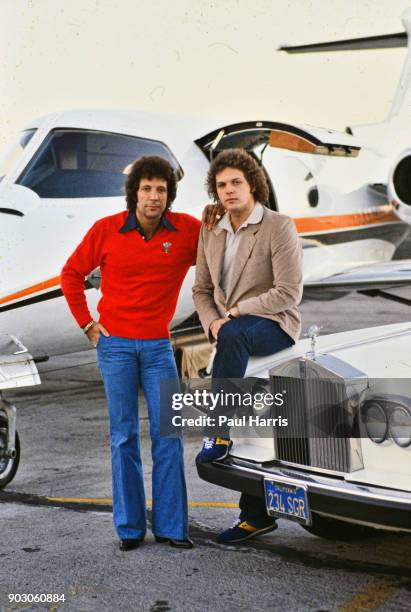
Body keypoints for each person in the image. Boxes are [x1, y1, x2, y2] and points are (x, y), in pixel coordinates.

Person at [61, 156, 202, 551]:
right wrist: (87, 325)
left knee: (168, 436)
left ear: (169, 194)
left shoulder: (187, 231)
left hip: (159, 347)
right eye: (146, 188)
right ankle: (129, 528)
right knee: (123, 436)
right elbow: (70, 273)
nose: (153, 196)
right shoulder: (106, 230)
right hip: (116, 347)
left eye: (160, 189)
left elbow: (220, 248)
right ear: (134, 193)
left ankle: (173, 528)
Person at [193, 148, 303, 544]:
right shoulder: (211, 228)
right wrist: (213, 323)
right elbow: (202, 290)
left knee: (235, 337)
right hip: (231, 333)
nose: (228, 190)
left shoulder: (278, 226)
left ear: (253, 184)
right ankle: (254, 516)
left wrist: (236, 313)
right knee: (256, 418)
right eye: (221, 185)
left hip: (274, 323)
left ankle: (216, 432)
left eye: (236, 182)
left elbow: (288, 292)